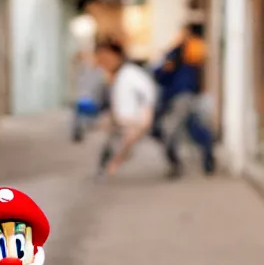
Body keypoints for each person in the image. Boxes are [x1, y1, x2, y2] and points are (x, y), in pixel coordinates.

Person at [153, 21, 216, 178]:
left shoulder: (183, 50)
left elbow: (163, 73)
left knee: (169, 130)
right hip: (186, 95)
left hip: (180, 95)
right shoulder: (194, 50)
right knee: (192, 127)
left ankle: (175, 164)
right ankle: (207, 152)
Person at [94, 38, 158, 178]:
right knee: (113, 142)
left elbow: (147, 94)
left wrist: (147, 115)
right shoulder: (114, 75)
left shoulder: (131, 74)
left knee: (126, 143)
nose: (103, 62)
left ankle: (113, 163)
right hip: (121, 118)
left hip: (134, 119)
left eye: (106, 57)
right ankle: (107, 165)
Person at [71, 49, 108, 142]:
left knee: (85, 114)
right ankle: (78, 131)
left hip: (94, 99)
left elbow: (104, 85)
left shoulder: (100, 72)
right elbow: (75, 63)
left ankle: (86, 126)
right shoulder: (84, 69)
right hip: (83, 98)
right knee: (78, 113)